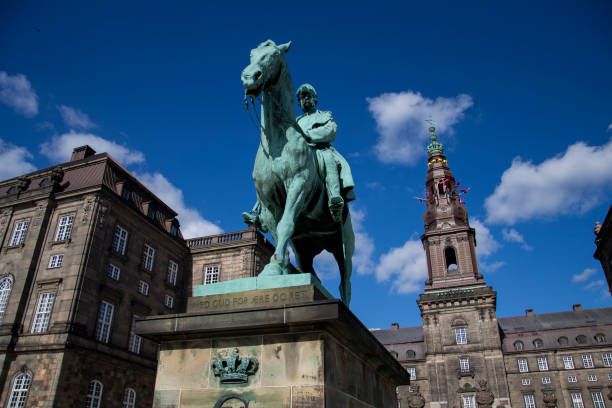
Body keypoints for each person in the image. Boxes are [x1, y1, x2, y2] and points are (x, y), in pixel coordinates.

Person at [296, 84, 355, 223]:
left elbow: (330, 131)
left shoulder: (324, 115)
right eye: (302, 97)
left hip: (320, 149)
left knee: (329, 159)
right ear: (299, 102)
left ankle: (334, 198)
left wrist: (308, 135)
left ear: (315, 99)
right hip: (298, 152)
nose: (306, 99)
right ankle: (262, 211)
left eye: (308, 96)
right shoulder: (296, 121)